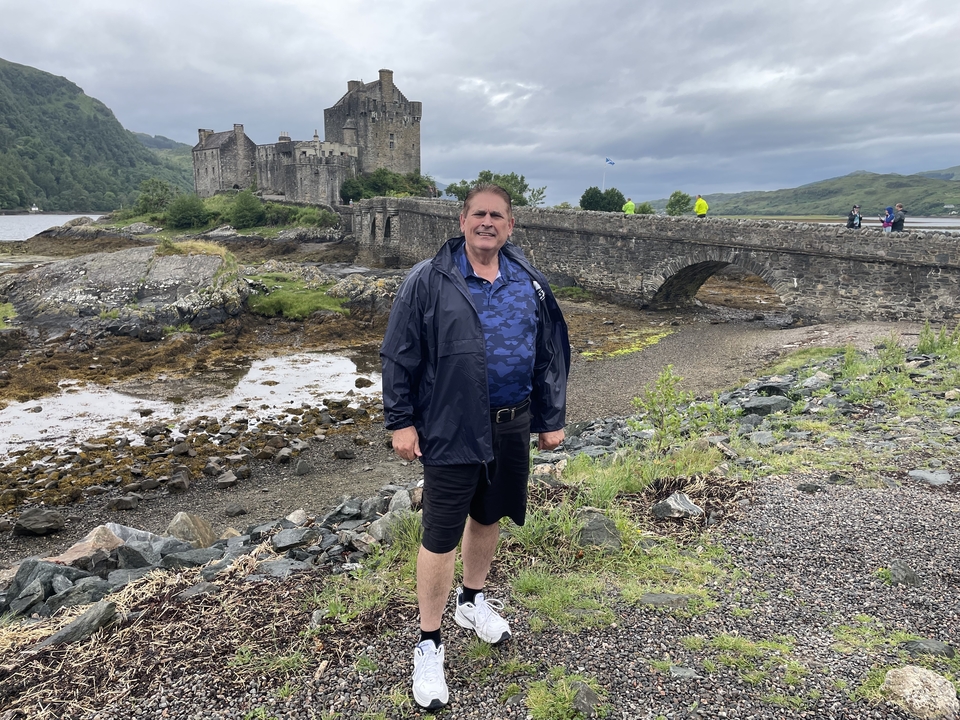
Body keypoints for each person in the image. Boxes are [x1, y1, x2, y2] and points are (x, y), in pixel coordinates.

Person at [380, 183, 570, 710]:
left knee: (489, 517)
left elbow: (550, 351)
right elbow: (398, 356)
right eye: (478, 214)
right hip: (451, 424)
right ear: (462, 221)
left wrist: (550, 416)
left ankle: (472, 602)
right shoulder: (428, 280)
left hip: (512, 424)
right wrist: (401, 423)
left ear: (511, 226)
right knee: (440, 534)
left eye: (498, 216)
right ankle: (429, 642)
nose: (487, 222)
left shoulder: (529, 282)